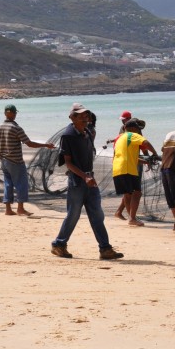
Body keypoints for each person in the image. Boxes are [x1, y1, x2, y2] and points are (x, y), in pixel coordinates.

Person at [51, 103, 124, 260]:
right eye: (81, 116)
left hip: (90, 180)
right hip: (78, 181)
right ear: (72, 117)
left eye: (87, 115)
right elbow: (68, 163)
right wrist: (84, 176)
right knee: (73, 215)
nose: (85, 118)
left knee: (97, 214)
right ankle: (59, 244)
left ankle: (105, 249)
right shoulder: (68, 135)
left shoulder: (87, 132)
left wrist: (89, 176)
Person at [0, 103, 55, 216]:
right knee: (21, 184)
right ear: (14, 114)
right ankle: (20, 209)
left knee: (8, 184)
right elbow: (30, 144)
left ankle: (8, 209)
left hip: (4, 160)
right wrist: (46, 145)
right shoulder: (16, 128)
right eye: (15, 113)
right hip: (15, 161)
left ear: (5, 113)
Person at [112, 118, 157, 227]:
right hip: (127, 169)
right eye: (137, 128)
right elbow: (146, 142)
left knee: (128, 195)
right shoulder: (132, 135)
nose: (138, 131)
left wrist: (146, 161)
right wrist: (155, 154)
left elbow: (129, 156)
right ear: (132, 128)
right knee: (137, 193)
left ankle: (132, 218)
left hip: (117, 169)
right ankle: (132, 218)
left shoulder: (119, 138)